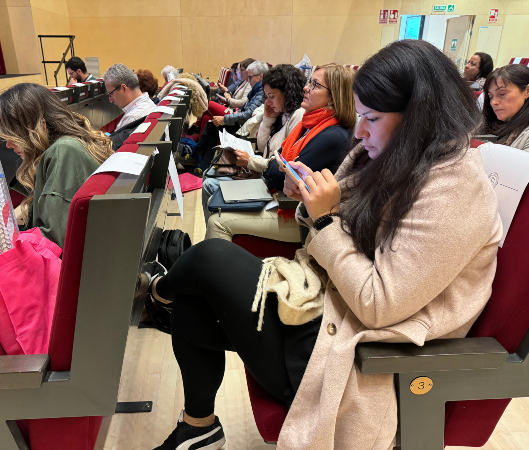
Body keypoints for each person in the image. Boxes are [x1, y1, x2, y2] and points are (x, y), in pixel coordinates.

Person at [148, 40, 501, 450]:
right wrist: (309, 200)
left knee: (209, 257)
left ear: (420, 115)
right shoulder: (396, 157)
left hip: (359, 359)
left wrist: (323, 218)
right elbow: (338, 223)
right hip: (330, 310)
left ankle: (155, 294)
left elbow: (378, 304)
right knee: (192, 304)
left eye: (371, 117)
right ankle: (199, 426)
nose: (359, 131)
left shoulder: (455, 188)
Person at [0, 83, 114, 319]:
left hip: (58, 278)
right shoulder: (71, 145)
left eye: (11, 134)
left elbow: (53, 244)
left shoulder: (64, 151)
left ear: (33, 126)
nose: (8, 144)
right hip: (79, 266)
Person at [204, 64, 355, 242]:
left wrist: (275, 165)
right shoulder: (309, 123)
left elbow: (282, 175)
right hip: (279, 196)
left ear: (334, 95)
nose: (306, 88)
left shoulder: (333, 135)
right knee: (213, 194)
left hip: (299, 215)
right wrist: (276, 164)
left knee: (217, 221)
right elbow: (277, 160)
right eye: (309, 82)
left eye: (315, 85)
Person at [201, 64, 307, 217]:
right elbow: (263, 146)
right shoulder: (282, 113)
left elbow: (282, 163)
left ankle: (218, 226)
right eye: (267, 97)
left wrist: (251, 162)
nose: (268, 102)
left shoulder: (298, 116)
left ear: (287, 93)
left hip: (271, 185)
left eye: (272, 97)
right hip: (264, 172)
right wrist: (268, 119)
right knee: (209, 173)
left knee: (209, 184)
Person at [195, 61, 267, 171]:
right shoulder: (257, 89)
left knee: (213, 125)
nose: (248, 80)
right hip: (242, 124)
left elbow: (248, 114)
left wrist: (225, 118)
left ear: (260, 76)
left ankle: (198, 159)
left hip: (245, 130)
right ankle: (202, 164)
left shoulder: (261, 91)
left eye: (250, 77)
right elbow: (246, 110)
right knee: (211, 125)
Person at [483, 64, 529, 150]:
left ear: (527, 91)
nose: (493, 102)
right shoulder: (489, 125)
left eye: (502, 94)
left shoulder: (526, 136)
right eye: (491, 96)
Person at [103, 64, 156, 132]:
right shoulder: (149, 104)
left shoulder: (132, 119)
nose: (111, 100)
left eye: (111, 94)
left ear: (123, 88)